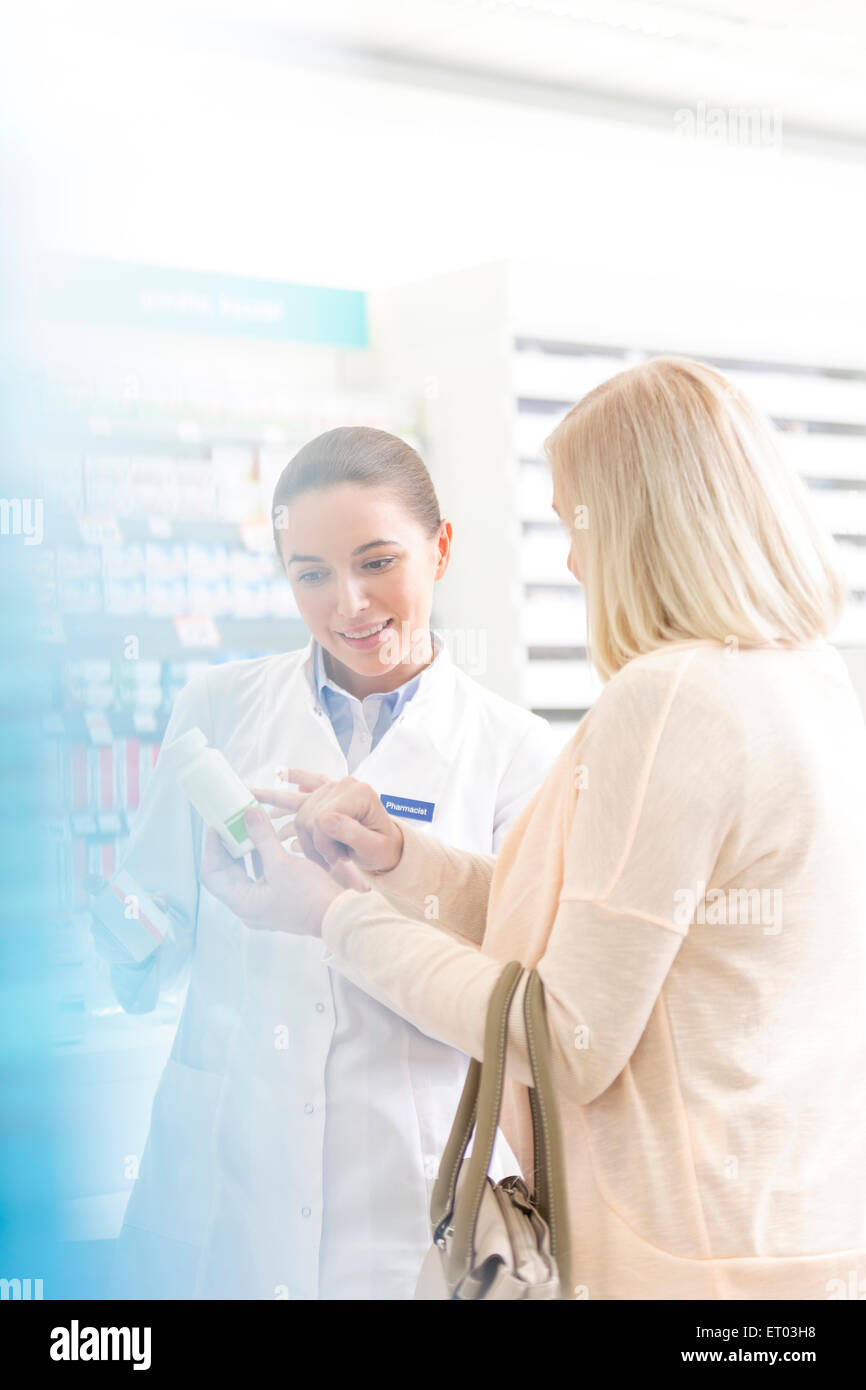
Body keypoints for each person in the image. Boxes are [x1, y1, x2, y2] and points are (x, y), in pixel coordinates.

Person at [202, 360, 866, 1300]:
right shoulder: (805, 678)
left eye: (573, 521)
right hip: (792, 1247)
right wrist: (401, 860)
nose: (570, 559)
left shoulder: (670, 699)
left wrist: (331, 919)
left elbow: (565, 1036)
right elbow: (591, 922)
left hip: (680, 1269)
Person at [106, 426, 559, 1300]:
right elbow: (144, 936)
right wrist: (127, 930)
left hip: (403, 1202)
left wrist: (361, 897)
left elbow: (516, 1005)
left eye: (377, 561)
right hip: (222, 1193)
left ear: (442, 548)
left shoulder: (515, 753)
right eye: (310, 573)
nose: (348, 602)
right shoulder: (217, 707)